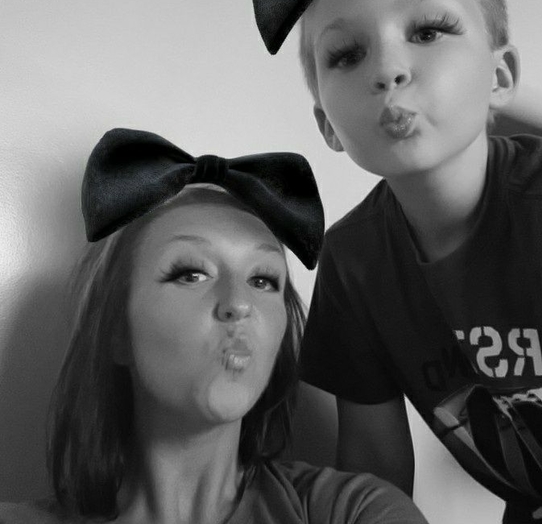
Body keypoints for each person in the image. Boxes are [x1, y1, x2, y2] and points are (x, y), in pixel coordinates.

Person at [248, 0, 542, 523]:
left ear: (500, 75)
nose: (388, 70)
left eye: (428, 31)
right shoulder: (355, 262)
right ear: (327, 124)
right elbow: (376, 470)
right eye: (347, 55)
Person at [0, 128, 428, 524]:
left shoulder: (354, 512)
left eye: (263, 280)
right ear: (116, 330)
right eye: (191, 274)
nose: (240, 304)